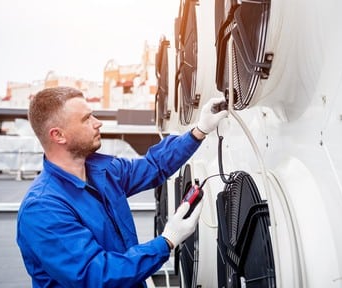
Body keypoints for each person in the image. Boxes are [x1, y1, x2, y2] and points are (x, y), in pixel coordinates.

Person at [16, 86, 228, 288]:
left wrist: (199, 131)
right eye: (86, 119)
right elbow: (96, 276)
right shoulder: (43, 209)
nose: (97, 123)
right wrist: (167, 241)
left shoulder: (103, 171)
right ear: (58, 135)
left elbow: (153, 166)